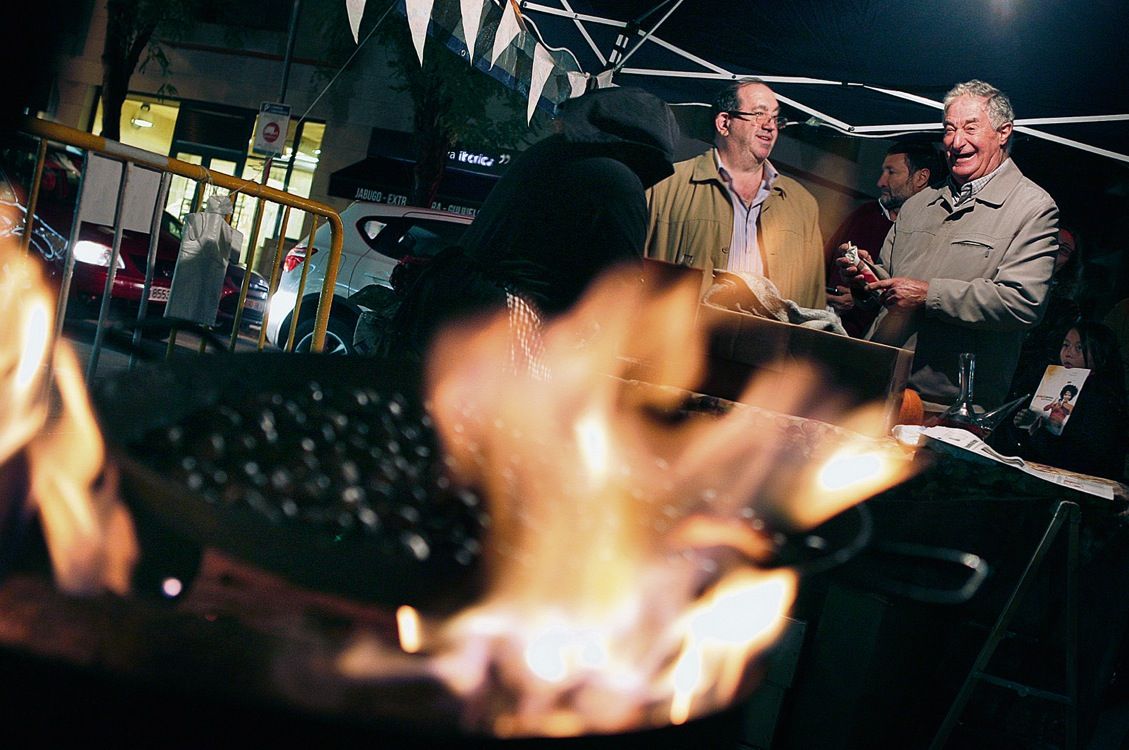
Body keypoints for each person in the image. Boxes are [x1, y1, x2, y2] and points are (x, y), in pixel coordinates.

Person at [383, 86, 679, 361]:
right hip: (504, 319)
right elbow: (622, 284)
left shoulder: (549, 151)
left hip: (449, 298)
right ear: (650, 152)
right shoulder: (619, 180)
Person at [840, 79, 1059, 409]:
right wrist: (866, 281)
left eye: (970, 128)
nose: (956, 142)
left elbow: (1022, 302)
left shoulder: (1033, 208)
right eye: (949, 129)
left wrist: (929, 295)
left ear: (1003, 132)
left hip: (945, 404)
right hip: (876, 381)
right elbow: (891, 288)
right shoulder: (918, 204)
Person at [644, 78, 826, 309]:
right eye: (759, 114)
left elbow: (813, 302)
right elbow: (626, 272)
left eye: (775, 118)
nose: (770, 126)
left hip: (766, 333)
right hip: (684, 330)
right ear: (724, 123)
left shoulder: (802, 204)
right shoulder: (665, 184)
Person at [825, 141, 947, 336]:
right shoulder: (863, 215)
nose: (881, 182)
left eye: (891, 172)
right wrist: (826, 294)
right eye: (884, 171)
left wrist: (860, 300)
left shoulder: (936, 231)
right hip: (830, 333)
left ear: (921, 177)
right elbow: (822, 269)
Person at [996, 321, 1127, 480]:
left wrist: (1038, 431)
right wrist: (1023, 423)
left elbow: (1084, 454)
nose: (1068, 353)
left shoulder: (1103, 399)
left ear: (1100, 353)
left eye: (1079, 348)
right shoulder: (1049, 382)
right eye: (1065, 345)